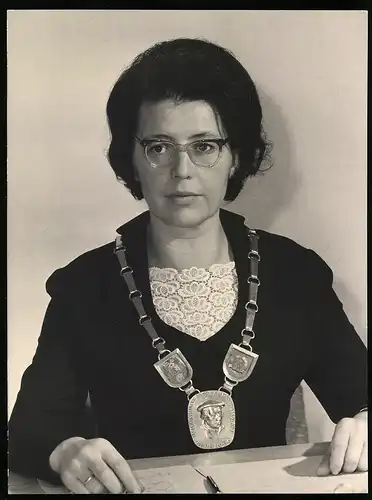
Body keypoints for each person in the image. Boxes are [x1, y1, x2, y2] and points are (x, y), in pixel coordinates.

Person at [8, 38, 367, 494]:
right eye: (159, 147)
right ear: (132, 160)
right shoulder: (83, 286)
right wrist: (65, 450)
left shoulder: (295, 275)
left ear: (236, 156)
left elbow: (361, 398)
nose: (182, 170)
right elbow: (25, 433)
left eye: (205, 146)